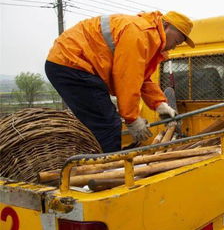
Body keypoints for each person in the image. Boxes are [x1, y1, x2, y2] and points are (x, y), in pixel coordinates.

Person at [45, 11, 195, 152]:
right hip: (71, 64)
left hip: (72, 64)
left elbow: (141, 78)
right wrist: (132, 119)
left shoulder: (147, 37)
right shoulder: (139, 34)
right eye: (177, 41)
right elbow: (127, 78)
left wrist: (160, 106)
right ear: (166, 26)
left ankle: (98, 166)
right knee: (108, 124)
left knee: (102, 122)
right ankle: (108, 171)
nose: (175, 46)